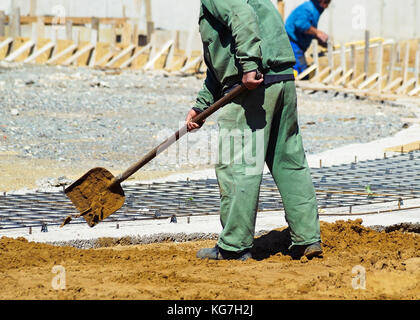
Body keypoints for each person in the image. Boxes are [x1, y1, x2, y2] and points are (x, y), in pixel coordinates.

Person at [185, 0, 322, 261]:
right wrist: (202, 106)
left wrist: (249, 65)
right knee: (289, 162)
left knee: (238, 166)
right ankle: (307, 239)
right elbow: (220, 62)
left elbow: (241, 15)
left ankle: (233, 246)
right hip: (281, 81)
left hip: (252, 88)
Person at [285, 0, 331, 75]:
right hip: (293, 42)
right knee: (302, 72)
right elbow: (301, 24)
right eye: (326, 2)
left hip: (298, 44)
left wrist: (317, 37)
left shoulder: (315, 9)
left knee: (302, 71)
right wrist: (318, 33)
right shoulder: (308, 8)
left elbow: (307, 29)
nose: (327, 6)